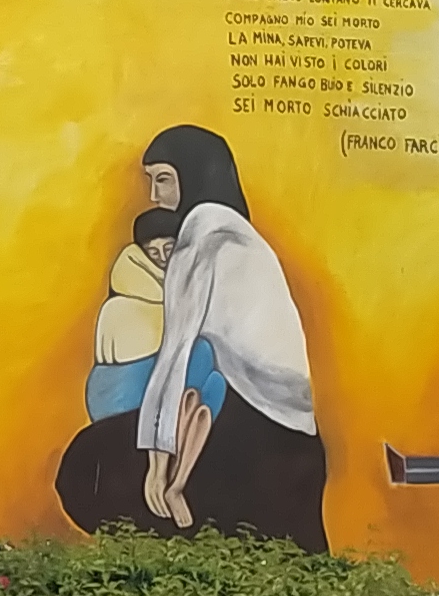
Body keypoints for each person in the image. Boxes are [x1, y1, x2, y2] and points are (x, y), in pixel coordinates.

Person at [55, 126, 328, 549]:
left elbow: (175, 358)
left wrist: (157, 465)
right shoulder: (244, 240)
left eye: (163, 180)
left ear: (195, 174)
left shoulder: (200, 242)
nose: (154, 196)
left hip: (249, 445)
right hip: (297, 449)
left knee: (85, 467)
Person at [86, 207, 225, 518]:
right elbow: (170, 357)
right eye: (153, 251)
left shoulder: (183, 280)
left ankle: (178, 480)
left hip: (157, 385)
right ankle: (161, 470)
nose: (162, 258)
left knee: (215, 384)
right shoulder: (135, 280)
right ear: (141, 253)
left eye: (168, 248)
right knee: (202, 353)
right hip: (118, 390)